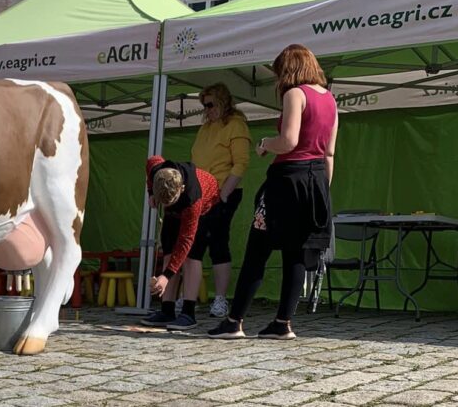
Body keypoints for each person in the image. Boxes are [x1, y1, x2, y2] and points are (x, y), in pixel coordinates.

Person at [209, 44, 338, 340]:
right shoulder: (330, 98)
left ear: (288, 69)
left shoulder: (296, 94)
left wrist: (266, 142)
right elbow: (329, 152)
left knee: (258, 249)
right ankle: (283, 323)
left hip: (286, 181)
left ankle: (234, 321)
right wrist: (321, 191)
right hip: (315, 180)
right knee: (295, 253)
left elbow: (289, 141)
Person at [190, 83, 251, 318]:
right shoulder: (205, 128)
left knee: (217, 242)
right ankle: (188, 299)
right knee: (194, 244)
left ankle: (220, 299)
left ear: (223, 101)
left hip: (224, 191)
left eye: (211, 104)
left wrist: (224, 193)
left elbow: (241, 163)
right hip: (201, 193)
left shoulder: (236, 125)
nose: (207, 109)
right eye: (204, 105)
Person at [141, 156, 220, 329]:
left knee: (192, 257)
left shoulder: (193, 198)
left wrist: (165, 276)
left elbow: (186, 240)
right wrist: (151, 193)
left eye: (170, 202)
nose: (165, 205)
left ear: (181, 188)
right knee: (168, 250)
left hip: (207, 207)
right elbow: (151, 160)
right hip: (176, 210)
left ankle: (188, 313)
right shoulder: (157, 170)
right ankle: (167, 310)